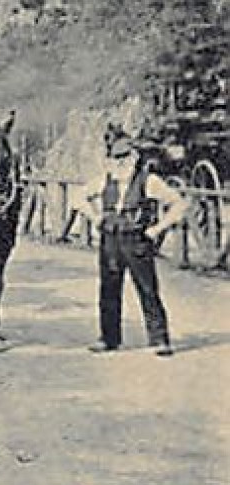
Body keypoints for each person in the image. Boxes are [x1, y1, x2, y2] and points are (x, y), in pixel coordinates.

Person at [82, 131, 186, 356]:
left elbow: (178, 203)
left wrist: (157, 229)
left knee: (147, 289)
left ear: (134, 157)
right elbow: (78, 197)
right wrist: (95, 217)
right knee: (108, 289)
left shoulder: (149, 181)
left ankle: (159, 339)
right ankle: (109, 338)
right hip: (110, 240)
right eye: (116, 157)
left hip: (136, 240)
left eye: (124, 156)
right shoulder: (104, 180)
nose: (120, 162)